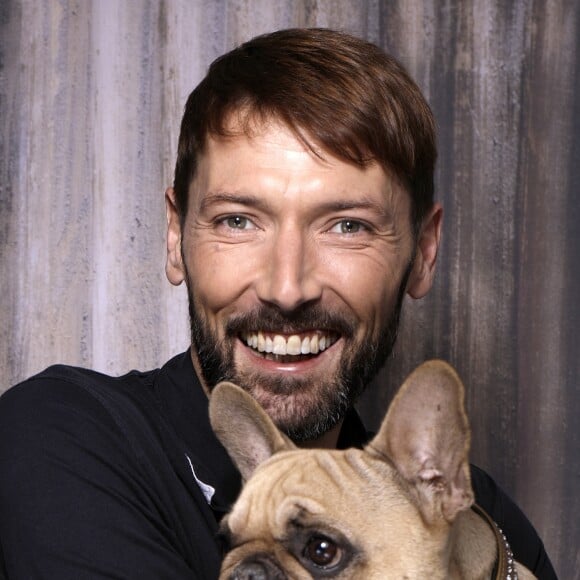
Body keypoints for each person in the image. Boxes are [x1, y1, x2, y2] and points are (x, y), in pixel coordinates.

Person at [0, 28, 556, 579]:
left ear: (424, 252)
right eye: (238, 221)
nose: (287, 287)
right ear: (175, 238)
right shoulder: (61, 440)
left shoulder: (479, 517)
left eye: (346, 225)